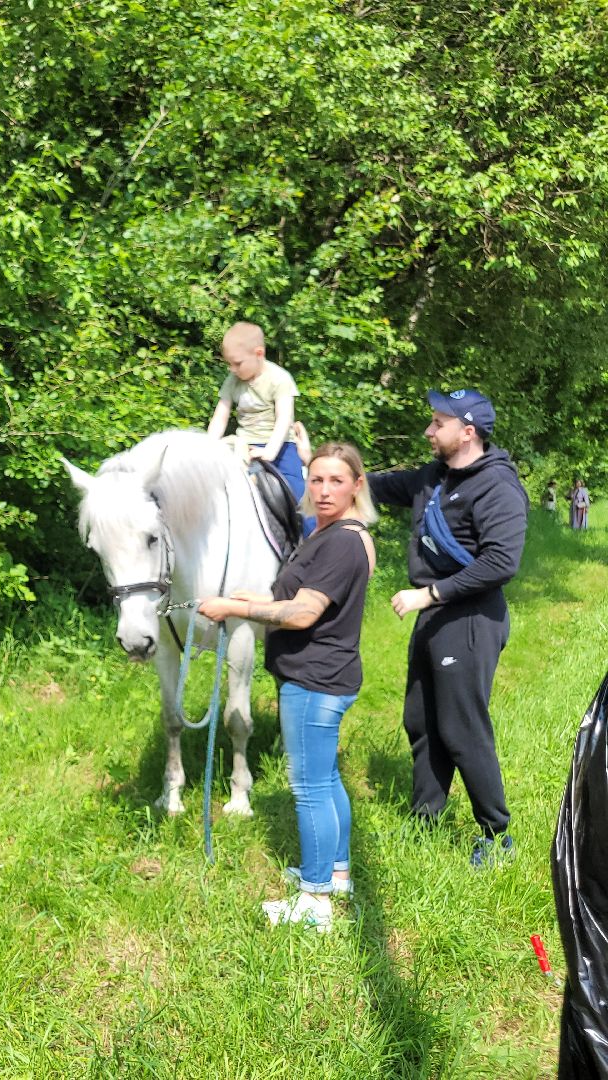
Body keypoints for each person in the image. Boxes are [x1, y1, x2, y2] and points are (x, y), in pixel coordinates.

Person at [199, 442, 377, 931]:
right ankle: (336, 874)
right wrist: (250, 596)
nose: (324, 490)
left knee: (310, 788)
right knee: (327, 779)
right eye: (316, 479)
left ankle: (314, 903)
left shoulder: (341, 542)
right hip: (325, 675)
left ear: (357, 485)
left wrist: (234, 609)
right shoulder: (329, 532)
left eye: (336, 481)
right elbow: (295, 594)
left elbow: (302, 613)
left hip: (314, 680)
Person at [368, 389, 528, 868]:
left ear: (467, 431)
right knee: (421, 722)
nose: (429, 431)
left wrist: (430, 594)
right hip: (434, 617)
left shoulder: (497, 486)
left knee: (462, 728)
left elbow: (500, 562)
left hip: (471, 618)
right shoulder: (432, 477)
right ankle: (425, 820)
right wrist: (307, 462)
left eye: (438, 423)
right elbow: (372, 486)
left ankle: (497, 835)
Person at [206, 321, 305, 508]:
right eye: (229, 364)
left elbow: (284, 419)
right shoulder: (233, 380)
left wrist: (270, 451)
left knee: (297, 495)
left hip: (280, 446)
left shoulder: (279, 378)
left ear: (259, 353)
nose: (232, 369)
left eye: (237, 363)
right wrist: (208, 445)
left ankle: (307, 526)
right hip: (244, 445)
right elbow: (220, 416)